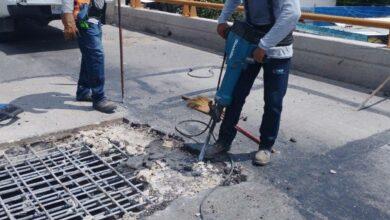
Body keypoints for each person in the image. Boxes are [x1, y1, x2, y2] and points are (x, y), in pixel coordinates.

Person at [206, 0, 301, 165]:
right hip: (249, 43)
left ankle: (265, 146)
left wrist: (264, 46)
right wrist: (222, 20)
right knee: (236, 94)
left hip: (278, 51)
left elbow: (293, 14)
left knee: (273, 101)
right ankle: (223, 141)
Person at [61, 0, 116, 113]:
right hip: (83, 20)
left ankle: (83, 91)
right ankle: (99, 98)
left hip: (95, 19)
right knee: (96, 56)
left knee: (89, 56)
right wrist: (68, 19)